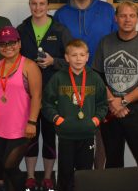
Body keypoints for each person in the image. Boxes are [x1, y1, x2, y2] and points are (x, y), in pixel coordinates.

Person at [54, 0, 117, 169]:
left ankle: (98, 174)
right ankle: (72, 178)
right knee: (77, 127)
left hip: (102, 77)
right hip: (71, 79)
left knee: (102, 129)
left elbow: (117, 42)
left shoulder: (107, 10)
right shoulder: (61, 14)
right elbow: (58, 47)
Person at [92, 1, 138, 168]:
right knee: (113, 161)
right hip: (111, 109)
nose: (127, 19)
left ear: (137, 18)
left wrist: (122, 101)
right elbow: (97, 74)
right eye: (123, 15)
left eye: (132, 15)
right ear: (116, 18)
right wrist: (112, 101)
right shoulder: (105, 42)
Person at [16, 0, 72, 191]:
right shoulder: (21, 29)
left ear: (48, 6)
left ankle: (48, 177)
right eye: (34, 3)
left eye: (41, 4)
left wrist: (53, 61)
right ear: (29, 4)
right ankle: (30, 177)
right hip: (26, 95)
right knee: (29, 137)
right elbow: (13, 58)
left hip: (52, 96)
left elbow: (72, 60)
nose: (37, 8)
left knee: (49, 137)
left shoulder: (60, 30)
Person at [42, 39, 107, 191]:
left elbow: (102, 104)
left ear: (87, 56)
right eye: (74, 55)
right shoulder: (58, 78)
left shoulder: (94, 78)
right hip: (65, 135)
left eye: (82, 55)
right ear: (66, 57)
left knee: (84, 173)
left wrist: (96, 120)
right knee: (65, 173)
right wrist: (57, 119)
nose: (78, 59)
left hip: (87, 133)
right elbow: (47, 104)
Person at [0, 26, 42, 191]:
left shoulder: (30, 66)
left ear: (19, 44)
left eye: (12, 42)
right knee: (1, 165)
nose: (7, 47)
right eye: (3, 44)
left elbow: (37, 97)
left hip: (21, 128)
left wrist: (32, 122)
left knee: (10, 166)